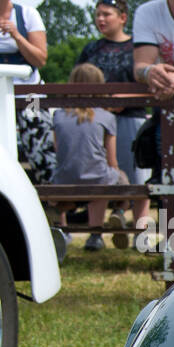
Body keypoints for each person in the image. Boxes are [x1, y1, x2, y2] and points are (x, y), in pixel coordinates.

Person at [76, 0, 150, 227]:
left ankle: (141, 232)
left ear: (122, 17)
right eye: (97, 14)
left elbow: (151, 86)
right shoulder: (91, 50)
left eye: (106, 14)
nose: (101, 19)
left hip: (131, 119)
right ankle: (96, 231)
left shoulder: (138, 48)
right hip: (96, 121)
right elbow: (77, 83)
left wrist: (125, 99)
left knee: (137, 179)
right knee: (98, 175)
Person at [52, 64, 128, 251]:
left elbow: (58, 151)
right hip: (97, 178)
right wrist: (116, 172)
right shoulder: (106, 116)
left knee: (73, 178)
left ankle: (62, 232)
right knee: (110, 178)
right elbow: (112, 160)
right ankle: (104, 226)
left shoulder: (58, 115)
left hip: (64, 179)